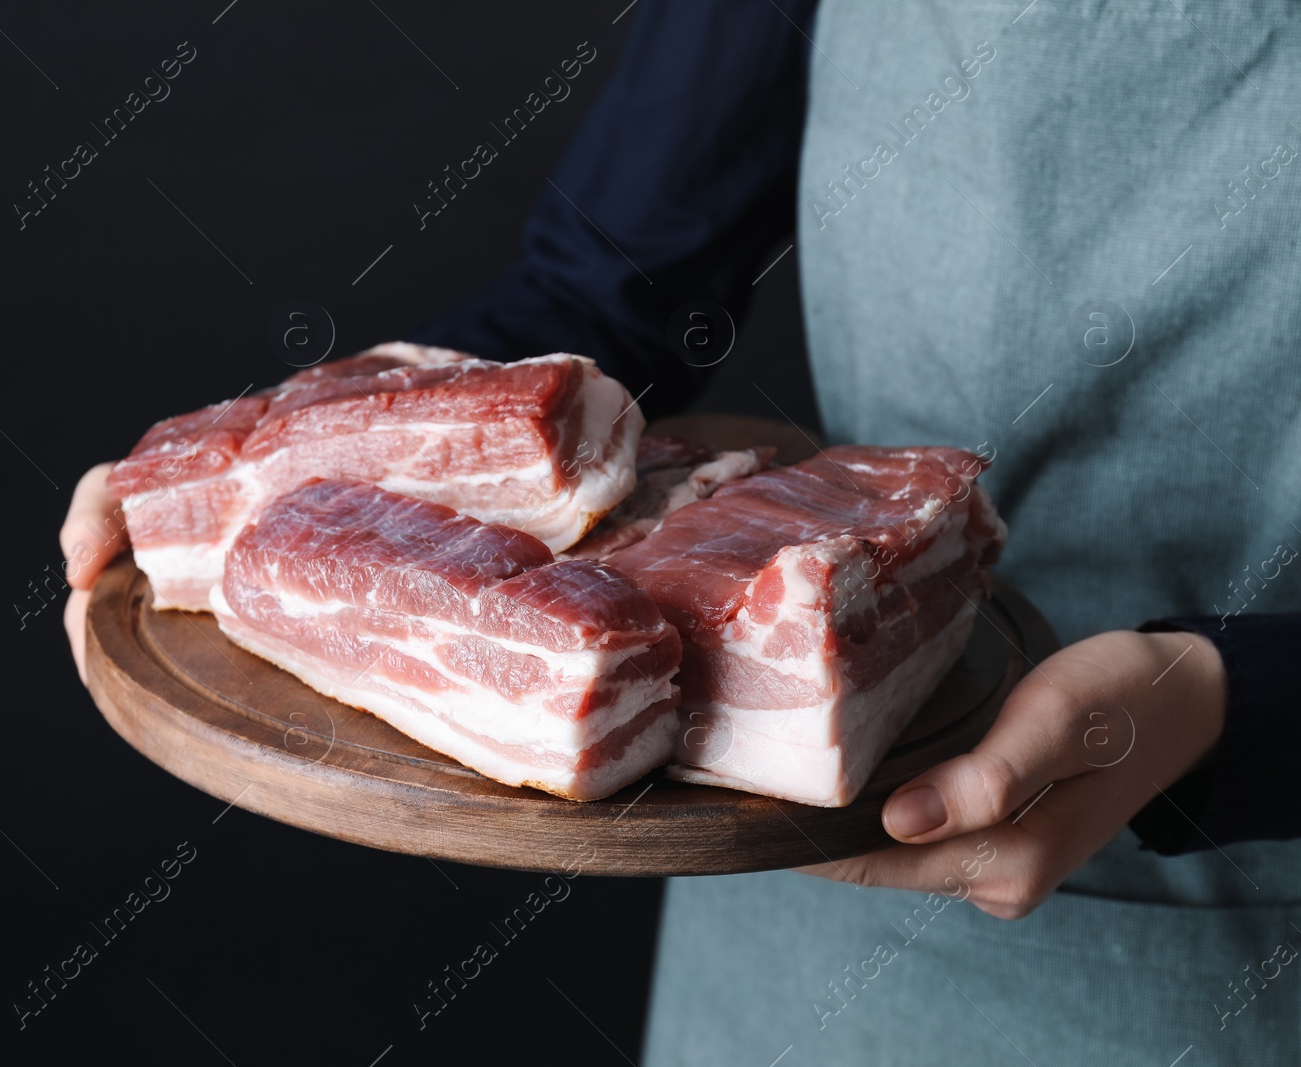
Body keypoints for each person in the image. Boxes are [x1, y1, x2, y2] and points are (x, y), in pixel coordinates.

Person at [63, 0, 1301, 1061]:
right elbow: (608, 284)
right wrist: (309, 441)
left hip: (1240, 932)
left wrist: (1228, 703)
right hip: (792, 790)